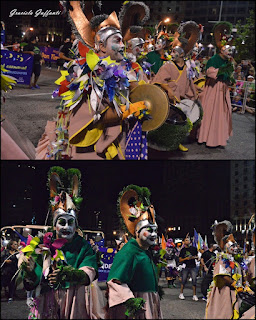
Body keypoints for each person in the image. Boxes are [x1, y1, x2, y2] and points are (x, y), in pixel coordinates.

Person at [36, 2, 150, 160]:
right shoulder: (89, 72)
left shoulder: (120, 68)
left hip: (114, 135)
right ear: (102, 46)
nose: (123, 45)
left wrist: (153, 92)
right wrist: (131, 110)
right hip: (91, 144)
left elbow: (135, 90)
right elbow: (99, 115)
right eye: (117, 41)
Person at [18, 167, 106, 319]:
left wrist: (67, 274)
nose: (66, 227)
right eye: (62, 222)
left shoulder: (83, 246)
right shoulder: (43, 245)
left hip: (74, 303)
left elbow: (89, 273)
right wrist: (30, 271)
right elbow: (34, 280)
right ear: (54, 225)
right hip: (48, 303)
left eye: (70, 222)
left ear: (76, 225)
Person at [107, 184, 162, 319]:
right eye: (149, 230)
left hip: (150, 301)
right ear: (137, 231)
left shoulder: (145, 250)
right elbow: (114, 281)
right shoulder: (129, 251)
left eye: (155, 230)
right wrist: (131, 301)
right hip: (139, 306)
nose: (154, 234)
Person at [152, 20, 204, 152]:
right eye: (172, 51)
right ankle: (160, 140)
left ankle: (177, 142)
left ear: (182, 54)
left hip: (182, 98)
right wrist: (168, 88)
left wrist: (196, 90)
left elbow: (192, 81)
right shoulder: (168, 65)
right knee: (166, 121)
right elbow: (158, 80)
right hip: (169, 99)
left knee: (181, 122)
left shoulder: (188, 67)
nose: (172, 54)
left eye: (175, 52)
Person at [197, 22, 235, 147]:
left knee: (221, 114)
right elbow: (209, 72)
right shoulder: (214, 59)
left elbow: (229, 75)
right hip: (213, 88)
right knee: (210, 113)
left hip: (223, 88)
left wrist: (229, 77)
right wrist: (221, 70)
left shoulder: (228, 61)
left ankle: (217, 138)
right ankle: (206, 137)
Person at [205, 220, 244, 319]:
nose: (235, 247)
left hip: (231, 292)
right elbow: (224, 277)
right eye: (232, 244)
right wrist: (238, 286)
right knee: (223, 314)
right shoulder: (224, 259)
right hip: (224, 294)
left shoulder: (232, 259)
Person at [178, 236, 199, 301]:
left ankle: (194, 295)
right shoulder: (183, 250)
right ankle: (181, 293)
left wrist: (194, 258)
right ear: (184, 242)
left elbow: (197, 257)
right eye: (186, 240)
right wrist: (186, 258)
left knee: (194, 280)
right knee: (184, 280)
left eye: (188, 240)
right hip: (185, 266)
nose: (188, 241)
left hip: (193, 266)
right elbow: (180, 260)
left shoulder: (194, 249)